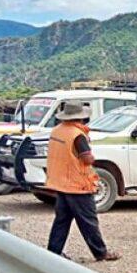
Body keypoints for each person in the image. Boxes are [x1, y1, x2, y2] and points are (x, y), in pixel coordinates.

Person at [44, 101, 120, 262]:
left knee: (62, 220)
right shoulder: (77, 135)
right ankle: (100, 252)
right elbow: (86, 157)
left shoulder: (57, 131)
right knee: (88, 221)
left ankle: (53, 251)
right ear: (81, 118)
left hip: (61, 182)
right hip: (78, 184)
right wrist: (92, 158)